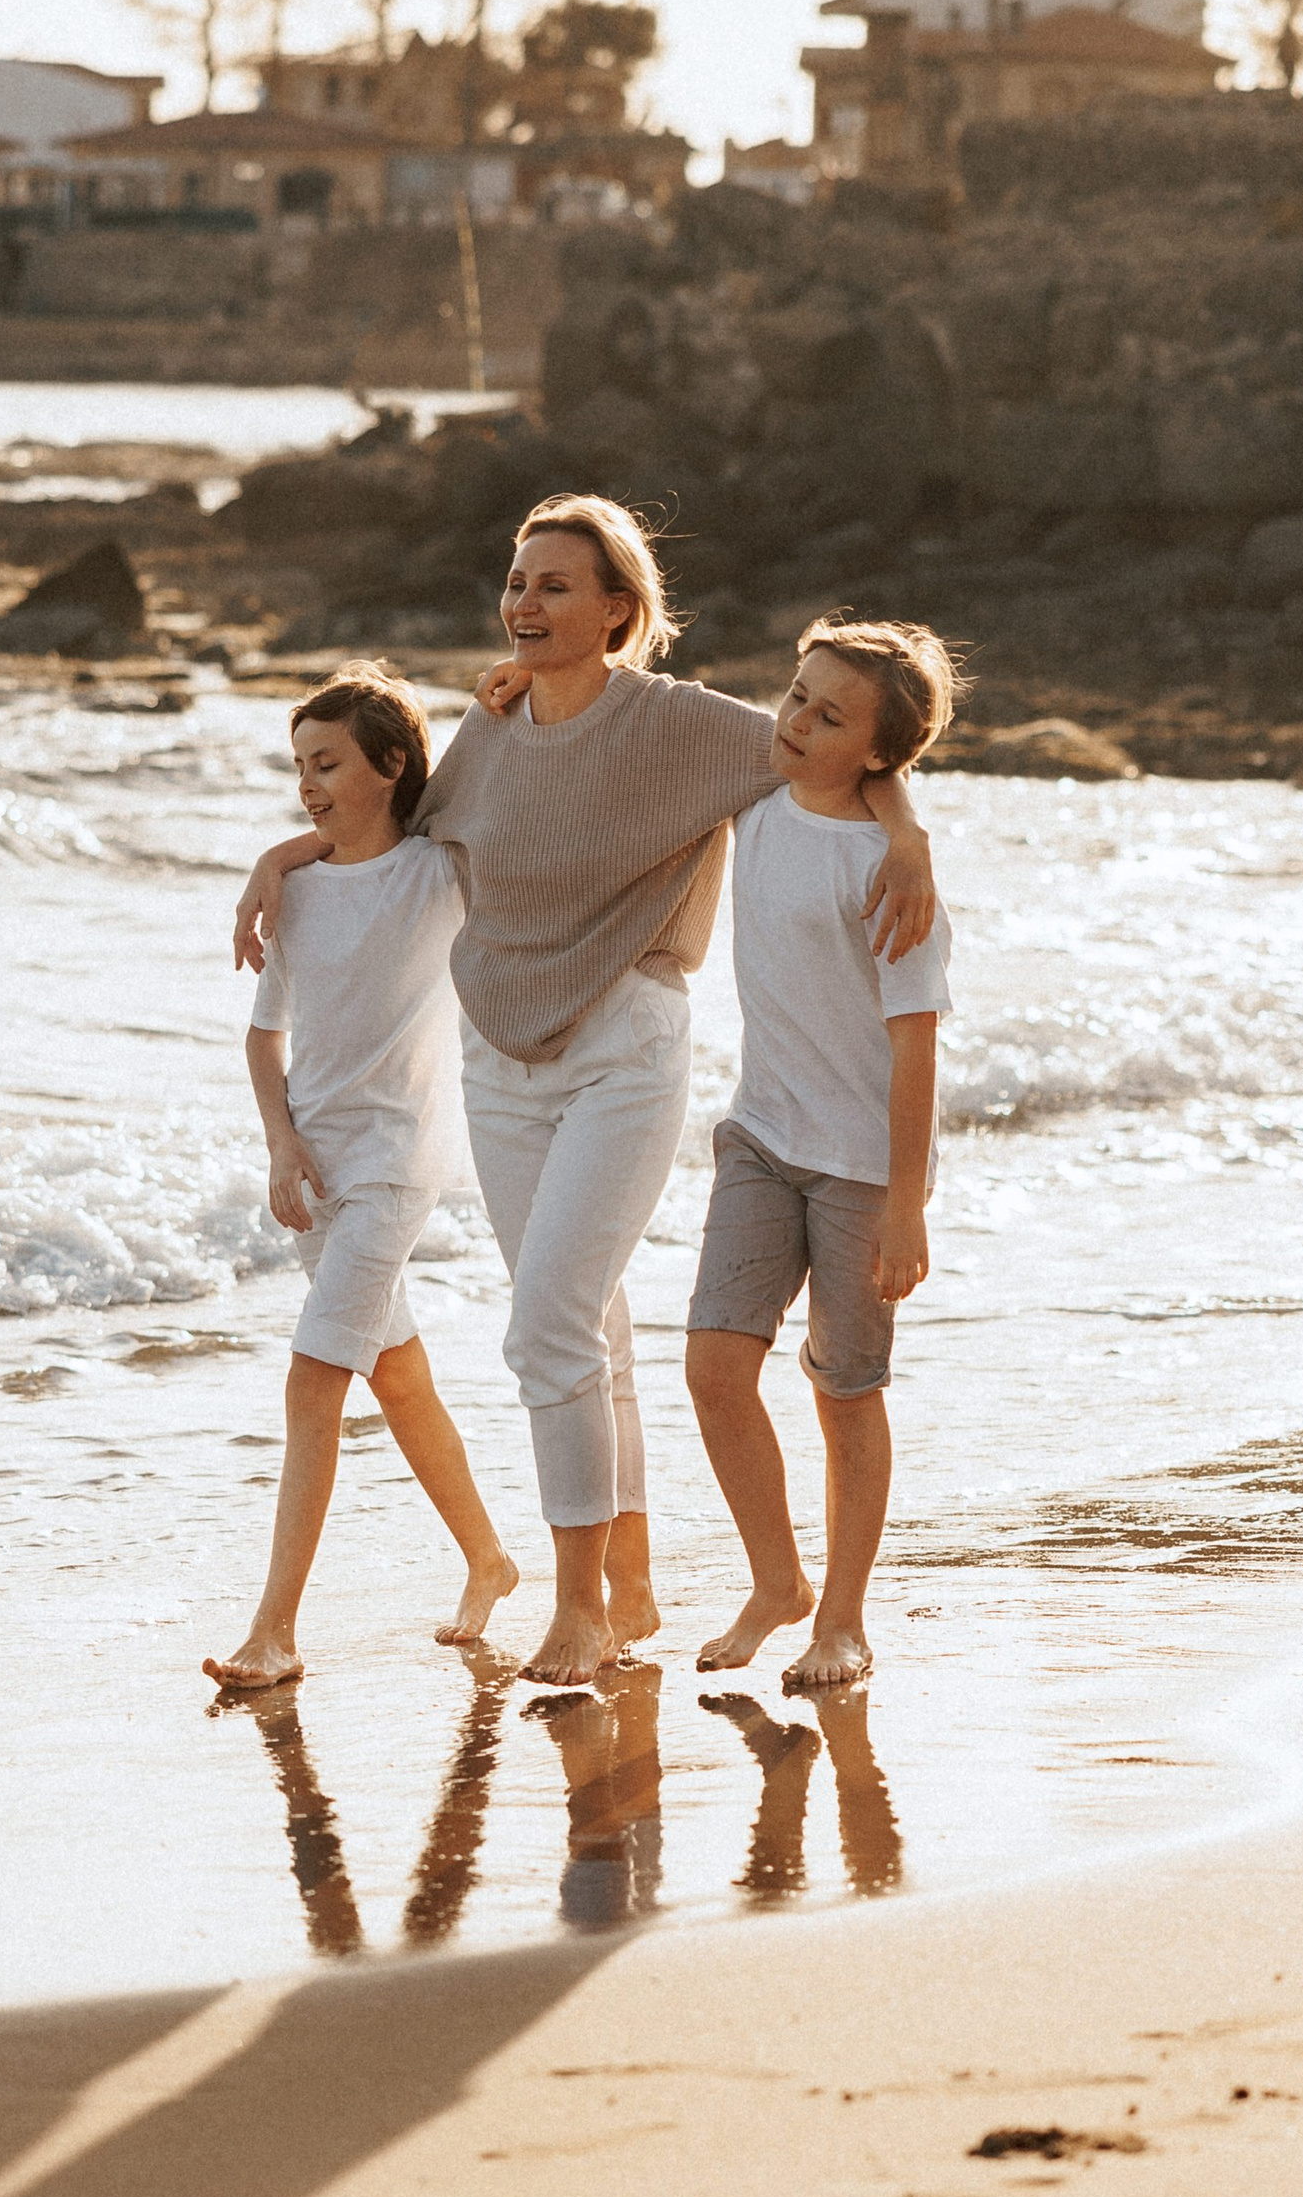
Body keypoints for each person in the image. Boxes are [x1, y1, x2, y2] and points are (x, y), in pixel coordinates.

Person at [237, 498, 937, 1689]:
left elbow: (824, 756)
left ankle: (575, 1612)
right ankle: (630, 1575)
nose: (524, 604)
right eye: (516, 581)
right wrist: (277, 858)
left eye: (555, 586)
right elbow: (395, 827)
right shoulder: (492, 727)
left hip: (625, 1043)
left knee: (545, 1325)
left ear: (619, 610)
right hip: (498, 1062)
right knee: (590, 1322)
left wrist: (907, 827)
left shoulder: (680, 725)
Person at [203, 671, 520, 1692]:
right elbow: (265, 1039)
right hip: (319, 1169)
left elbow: (492, 771)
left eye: (326, 763)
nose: (306, 785)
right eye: (297, 766)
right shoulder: (292, 892)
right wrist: (280, 1145)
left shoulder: (437, 874)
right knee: (398, 1375)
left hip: (395, 1165)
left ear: (389, 766)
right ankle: (489, 1559)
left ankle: (275, 1632)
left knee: (312, 1381)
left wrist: (498, 696)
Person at [684, 617, 955, 1693]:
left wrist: (906, 1205)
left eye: (827, 715)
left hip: (858, 1169)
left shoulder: (897, 882)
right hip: (758, 1136)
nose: (794, 721)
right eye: (795, 694)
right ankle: (775, 1580)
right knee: (713, 1369)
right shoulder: (756, 799)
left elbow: (915, 1053)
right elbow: (634, 713)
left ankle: (840, 1618)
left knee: (845, 1392)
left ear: (880, 753)